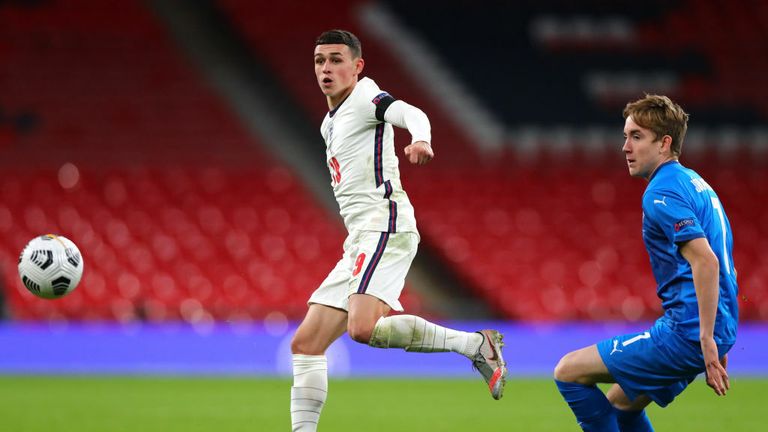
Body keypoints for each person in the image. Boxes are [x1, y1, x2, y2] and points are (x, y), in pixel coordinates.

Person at [289, 29, 508, 431]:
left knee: (362, 327)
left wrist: (420, 139)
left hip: (384, 223)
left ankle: (475, 345)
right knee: (305, 345)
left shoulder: (365, 96)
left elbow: (409, 112)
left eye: (336, 60)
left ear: (357, 67)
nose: (326, 68)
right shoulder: (328, 122)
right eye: (320, 60)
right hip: (358, 238)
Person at [554, 94, 738, 431]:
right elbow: (723, 255)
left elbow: (707, 262)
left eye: (636, 137)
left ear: (664, 143)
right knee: (621, 404)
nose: (625, 146)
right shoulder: (697, 184)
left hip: (686, 334)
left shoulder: (661, 192)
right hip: (712, 328)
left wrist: (705, 339)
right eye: (625, 136)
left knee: (568, 371)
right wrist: (716, 334)